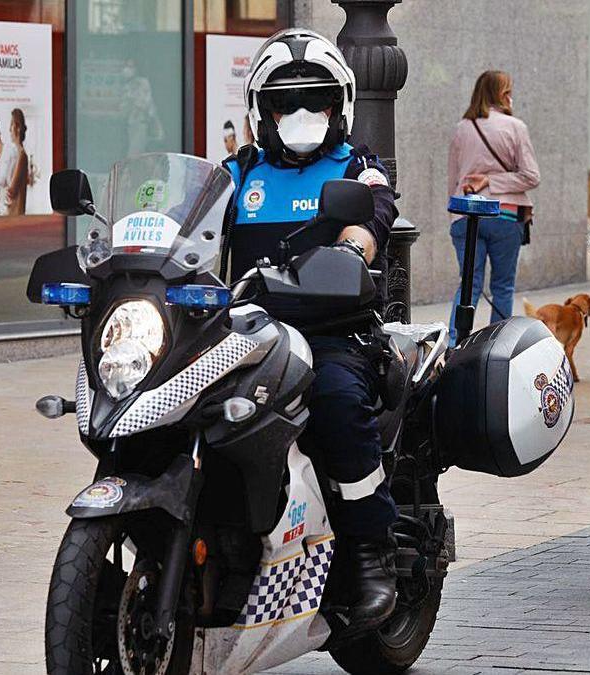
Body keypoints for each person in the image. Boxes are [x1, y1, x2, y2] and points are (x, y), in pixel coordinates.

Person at [224, 29, 399, 629]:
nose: (300, 114)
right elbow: (186, 220)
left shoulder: (356, 166)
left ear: (339, 106)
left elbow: (377, 209)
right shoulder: (239, 172)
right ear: (261, 112)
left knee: (338, 401)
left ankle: (371, 553)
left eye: (315, 101)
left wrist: (354, 248)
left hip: (332, 330)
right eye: (284, 103)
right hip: (245, 331)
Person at [446, 70, 540, 344]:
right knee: (502, 286)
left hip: (466, 215)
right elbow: (531, 176)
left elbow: (453, 178)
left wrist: (454, 216)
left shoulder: (462, 128)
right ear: (502, 94)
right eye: (508, 90)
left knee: (468, 285)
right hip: (505, 215)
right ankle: (496, 345)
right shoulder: (515, 127)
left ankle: (455, 342)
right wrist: (494, 180)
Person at [6, 108, 29, 216]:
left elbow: (11, 191)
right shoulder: (16, 154)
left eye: (11, 125)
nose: (9, 130)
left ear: (18, 128)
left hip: (15, 214)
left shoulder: (22, 156)